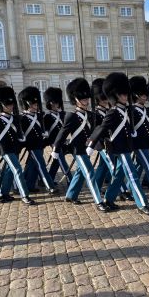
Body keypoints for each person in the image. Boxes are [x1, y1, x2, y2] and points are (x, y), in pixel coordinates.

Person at [87, 72, 149, 216]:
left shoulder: (126, 110)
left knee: (119, 175)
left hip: (126, 147)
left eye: (126, 94)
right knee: (132, 176)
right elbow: (102, 128)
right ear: (116, 95)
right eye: (123, 94)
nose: (126, 96)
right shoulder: (113, 112)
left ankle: (108, 199)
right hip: (119, 148)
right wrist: (91, 144)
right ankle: (142, 203)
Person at [51, 78, 108, 212]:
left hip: (87, 149)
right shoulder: (71, 116)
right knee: (90, 173)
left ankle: (70, 195)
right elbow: (62, 134)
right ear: (76, 99)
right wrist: (56, 148)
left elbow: (102, 126)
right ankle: (98, 200)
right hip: (78, 150)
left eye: (87, 99)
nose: (86, 101)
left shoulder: (91, 115)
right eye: (83, 100)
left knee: (80, 173)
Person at [0, 86, 35, 205]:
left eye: (12, 104)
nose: (11, 106)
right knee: (17, 169)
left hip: (14, 148)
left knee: (8, 171)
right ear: (1, 105)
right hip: (4, 149)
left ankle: (4, 193)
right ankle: (24, 195)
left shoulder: (15, 118)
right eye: (8, 104)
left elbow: (19, 134)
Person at [18, 86, 58, 194]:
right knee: (41, 165)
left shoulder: (39, 116)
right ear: (27, 105)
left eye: (36, 104)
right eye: (34, 105)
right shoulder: (22, 117)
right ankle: (50, 185)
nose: (36, 106)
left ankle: (27, 185)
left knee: (32, 166)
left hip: (39, 144)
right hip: (32, 145)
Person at [44, 87, 72, 184]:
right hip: (53, 141)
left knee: (56, 161)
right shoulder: (47, 116)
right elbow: (46, 131)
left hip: (63, 141)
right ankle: (70, 180)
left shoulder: (63, 114)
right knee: (62, 160)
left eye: (57, 102)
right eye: (53, 103)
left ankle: (50, 178)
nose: (55, 105)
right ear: (49, 104)